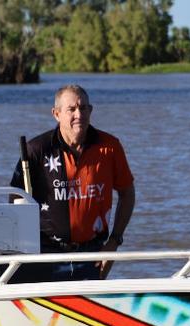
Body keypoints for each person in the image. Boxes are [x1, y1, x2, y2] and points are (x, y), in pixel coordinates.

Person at [10, 84, 135, 281]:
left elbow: (127, 193)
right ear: (56, 113)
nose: (79, 114)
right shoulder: (36, 150)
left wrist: (114, 242)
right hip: (46, 255)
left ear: (91, 111)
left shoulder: (109, 147)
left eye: (84, 108)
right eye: (72, 109)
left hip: (94, 254)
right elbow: (15, 202)